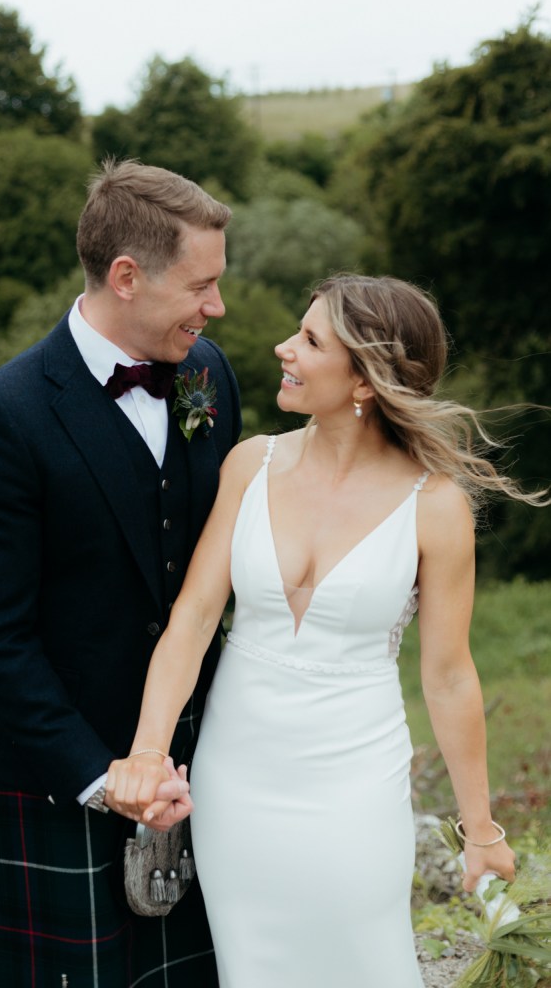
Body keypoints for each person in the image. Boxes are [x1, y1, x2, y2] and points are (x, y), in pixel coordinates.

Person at [106, 274, 546, 988]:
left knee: (363, 961)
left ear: (364, 380)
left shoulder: (433, 507)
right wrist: (149, 753)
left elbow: (447, 674)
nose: (284, 348)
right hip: (235, 779)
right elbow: (190, 620)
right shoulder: (251, 464)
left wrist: (481, 829)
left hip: (354, 780)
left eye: (309, 340)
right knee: (252, 967)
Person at [0, 160, 241, 987]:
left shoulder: (208, 375)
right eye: (200, 286)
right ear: (126, 277)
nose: (217, 308)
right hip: (59, 779)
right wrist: (103, 780)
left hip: (198, 768)